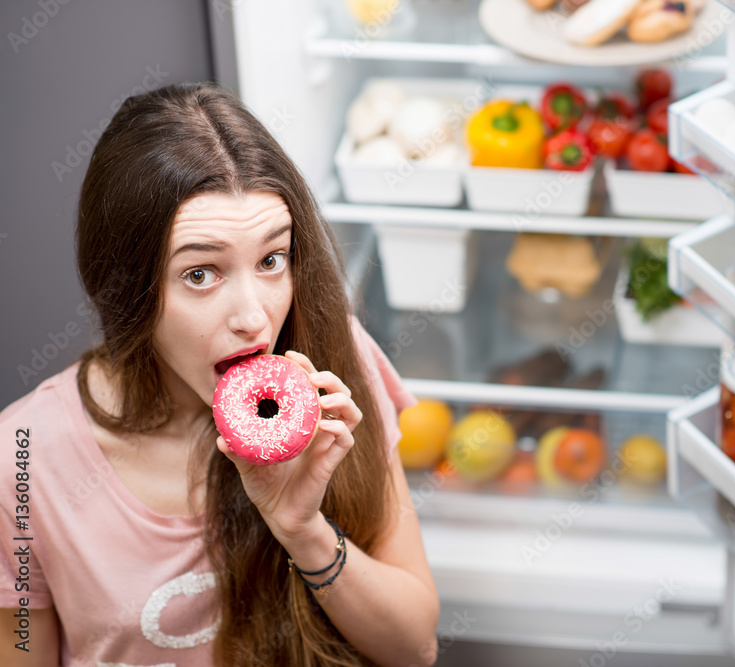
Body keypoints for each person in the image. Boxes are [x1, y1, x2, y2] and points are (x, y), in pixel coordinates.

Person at [0, 82, 440, 667]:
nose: (254, 318)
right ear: (126, 284)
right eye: (201, 274)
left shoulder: (334, 365)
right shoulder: (23, 458)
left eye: (270, 260)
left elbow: (415, 648)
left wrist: (303, 530)